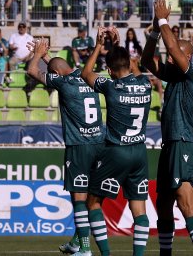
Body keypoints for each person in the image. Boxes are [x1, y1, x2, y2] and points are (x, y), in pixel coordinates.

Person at [142, 0, 193, 256]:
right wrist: (155, 32)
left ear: (188, 56)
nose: (170, 60)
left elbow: (172, 50)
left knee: (185, 201)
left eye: (176, 55)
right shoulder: (172, 75)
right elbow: (148, 60)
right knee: (163, 203)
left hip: (183, 140)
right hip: (170, 143)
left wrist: (163, 20)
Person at [26, 38, 104, 256]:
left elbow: (32, 71)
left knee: (78, 198)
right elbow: (60, 68)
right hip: (99, 142)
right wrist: (46, 57)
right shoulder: (85, 75)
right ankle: (77, 241)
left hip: (79, 145)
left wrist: (37, 56)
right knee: (89, 199)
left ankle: (85, 250)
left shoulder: (62, 82)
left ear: (56, 74)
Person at [80, 26, 152, 256]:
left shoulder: (111, 87)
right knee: (139, 210)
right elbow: (134, 69)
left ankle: (106, 254)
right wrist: (119, 47)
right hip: (140, 152)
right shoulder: (146, 85)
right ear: (130, 64)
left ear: (109, 70)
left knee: (92, 202)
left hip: (116, 151)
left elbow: (86, 73)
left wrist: (100, 45)